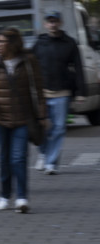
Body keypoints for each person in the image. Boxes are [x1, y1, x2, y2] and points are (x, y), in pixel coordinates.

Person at [0, 27, 47, 214]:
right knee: (5, 158)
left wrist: (42, 115)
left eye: (1, 42)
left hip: (24, 118)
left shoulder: (29, 61)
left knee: (18, 158)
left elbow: (39, 91)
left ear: (13, 43)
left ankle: (22, 197)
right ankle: (4, 195)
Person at [34, 10, 84, 174]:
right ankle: (43, 153)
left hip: (62, 91)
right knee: (41, 127)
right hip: (42, 92)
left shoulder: (69, 43)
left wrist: (81, 91)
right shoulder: (40, 43)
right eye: (49, 21)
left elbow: (78, 67)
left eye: (55, 21)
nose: (52, 24)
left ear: (60, 23)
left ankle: (51, 163)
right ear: (45, 24)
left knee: (59, 128)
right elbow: (30, 64)